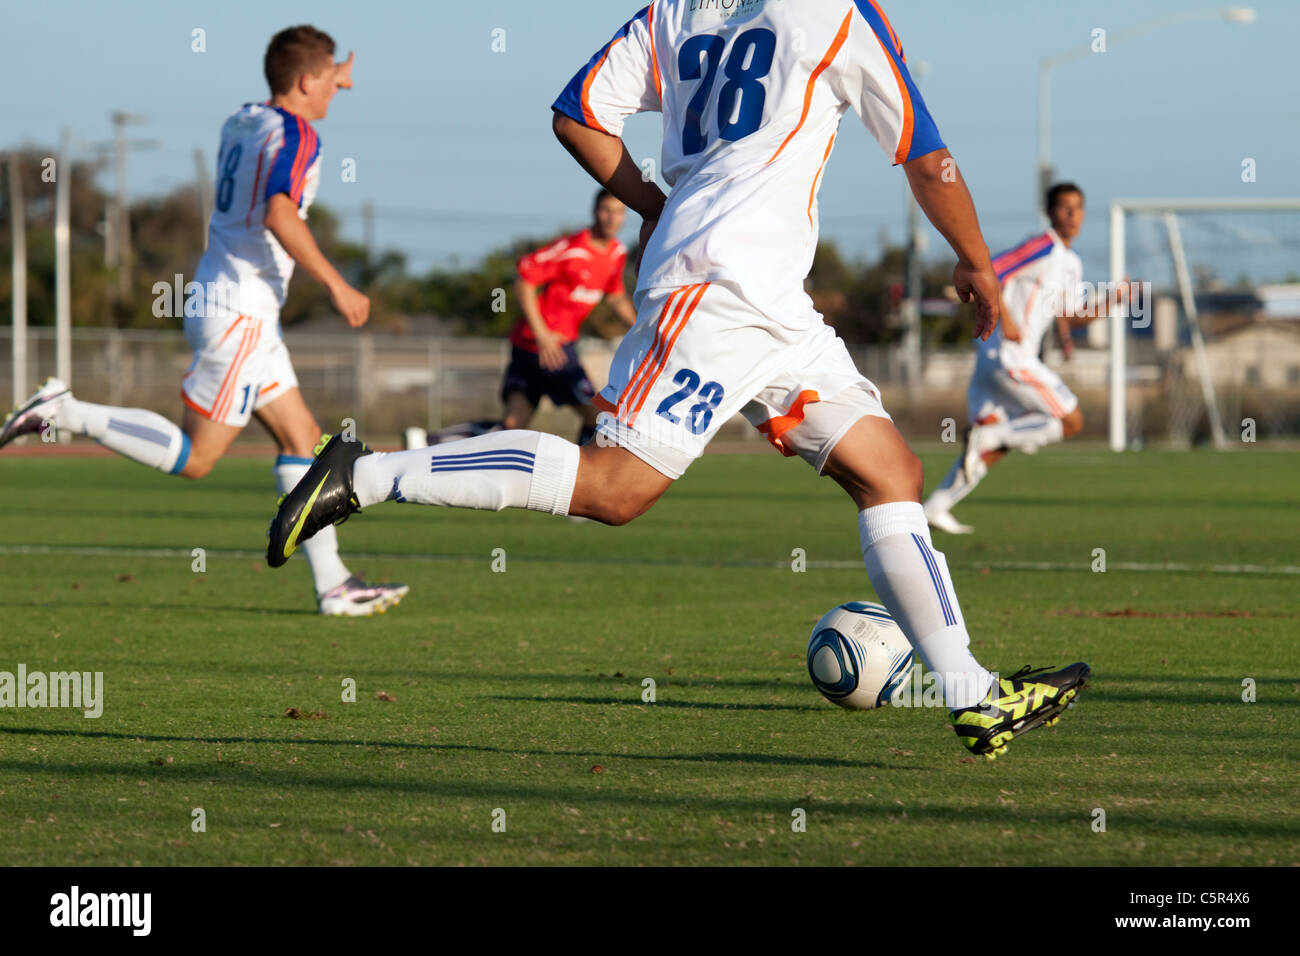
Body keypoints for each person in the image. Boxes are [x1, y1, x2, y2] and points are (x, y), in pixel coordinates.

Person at [268, 1, 1089, 757]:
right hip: (720, 294)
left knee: (891, 470)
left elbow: (578, 116)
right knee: (616, 488)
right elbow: (928, 159)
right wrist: (976, 263)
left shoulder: (676, 9)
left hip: (768, 304)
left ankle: (972, 692)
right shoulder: (836, 10)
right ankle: (364, 473)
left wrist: (657, 202)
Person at [0, 25, 406, 617]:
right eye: (331, 85)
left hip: (235, 305)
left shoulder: (243, 118)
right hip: (240, 312)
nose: (336, 94)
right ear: (305, 82)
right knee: (197, 459)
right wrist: (339, 284)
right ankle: (63, 410)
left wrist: (332, 71)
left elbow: (291, 92)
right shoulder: (299, 133)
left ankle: (334, 584)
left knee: (303, 440)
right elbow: (280, 214)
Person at [924, 182, 1124, 535]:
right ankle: (985, 438)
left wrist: (1113, 300)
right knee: (1070, 421)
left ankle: (936, 507)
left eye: (1078, 208)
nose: (1072, 215)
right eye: (1064, 208)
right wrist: (1010, 320)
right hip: (1008, 355)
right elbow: (992, 270)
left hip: (999, 362)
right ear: (1050, 213)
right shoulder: (1042, 245)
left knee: (996, 443)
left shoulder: (1071, 262)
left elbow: (1071, 312)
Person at [416, 189, 636, 449]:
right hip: (549, 347)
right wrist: (542, 335)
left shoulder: (616, 254)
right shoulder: (572, 249)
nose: (612, 218)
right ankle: (584, 480)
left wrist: (641, 328)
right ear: (594, 212)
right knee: (595, 415)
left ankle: (428, 440)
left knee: (511, 426)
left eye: (619, 212)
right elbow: (525, 281)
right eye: (606, 210)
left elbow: (615, 296)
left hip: (538, 347)